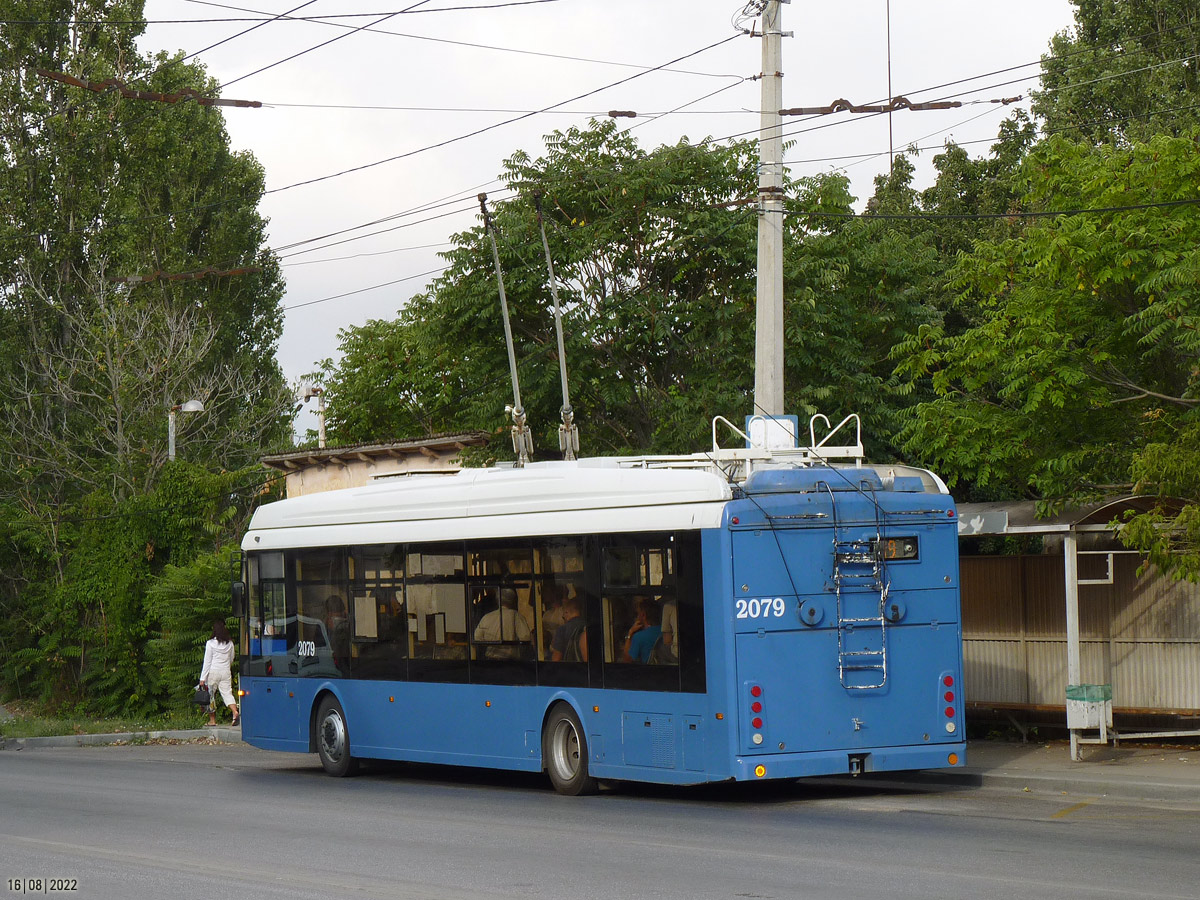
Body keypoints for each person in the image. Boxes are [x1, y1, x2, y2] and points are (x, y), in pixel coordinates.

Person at [473, 588, 532, 659]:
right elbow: (526, 637)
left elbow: (477, 637)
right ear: (513, 601)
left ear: (497, 600)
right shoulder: (516, 616)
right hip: (511, 663)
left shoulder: (487, 617)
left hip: (490, 662)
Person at [200, 619, 238, 727]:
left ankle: (212, 721)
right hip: (225, 671)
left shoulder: (210, 643)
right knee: (227, 693)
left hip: (213, 672)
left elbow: (207, 662)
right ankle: (235, 712)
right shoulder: (230, 643)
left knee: (211, 696)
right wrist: (226, 666)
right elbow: (232, 658)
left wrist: (203, 678)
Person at [622, 597, 661, 664]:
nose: (636, 617)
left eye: (637, 613)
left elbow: (626, 660)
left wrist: (629, 634)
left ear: (643, 615)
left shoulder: (638, 637)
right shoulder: (664, 631)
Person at [550, 594, 587, 662]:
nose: (563, 617)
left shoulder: (562, 630)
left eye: (563, 614)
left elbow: (556, 658)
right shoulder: (588, 626)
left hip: (570, 669)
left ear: (566, 612)